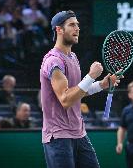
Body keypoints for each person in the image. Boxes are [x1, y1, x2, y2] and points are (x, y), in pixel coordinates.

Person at [40, 10, 120, 168]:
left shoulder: (73, 57)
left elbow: (79, 92)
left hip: (79, 134)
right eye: (71, 25)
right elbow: (65, 100)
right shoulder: (53, 61)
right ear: (59, 30)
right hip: (58, 137)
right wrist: (91, 76)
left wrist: (101, 85)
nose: (77, 28)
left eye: (77, 25)